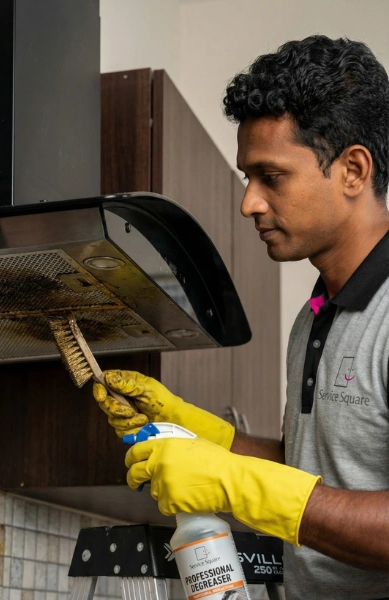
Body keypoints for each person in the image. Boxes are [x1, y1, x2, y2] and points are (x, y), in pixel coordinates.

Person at [93, 35, 389, 599]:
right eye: (247, 178)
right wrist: (202, 433)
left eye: (270, 177)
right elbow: (312, 473)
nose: (248, 202)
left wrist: (235, 485)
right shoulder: (315, 317)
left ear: (353, 170)